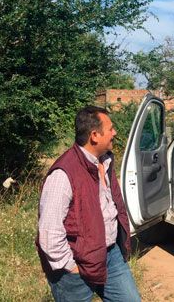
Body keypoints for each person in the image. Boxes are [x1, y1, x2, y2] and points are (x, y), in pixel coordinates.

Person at [36, 106, 140, 302]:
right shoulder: (63, 174)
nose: (115, 133)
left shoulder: (106, 161)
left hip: (110, 254)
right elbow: (50, 233)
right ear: (94, 135)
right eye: (110, 129)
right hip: (76, 264)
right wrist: (71, 268)